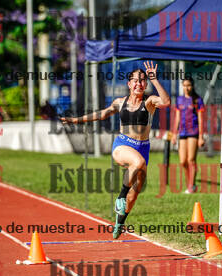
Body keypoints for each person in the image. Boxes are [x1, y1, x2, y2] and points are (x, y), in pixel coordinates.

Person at [60, 61, 170, 238]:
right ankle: (120, 197)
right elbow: (101, 114)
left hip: (143, 148)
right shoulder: (120, 102)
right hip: (123, 145)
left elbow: (166, 101)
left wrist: (155, 80)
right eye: (135, 80)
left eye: (143, 80)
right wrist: (76, 120)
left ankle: (120, 221)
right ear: (129, 84)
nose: (139, 83)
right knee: (137, 163)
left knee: (135, 193)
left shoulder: (149, 102)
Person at [171, 76, 205, 193]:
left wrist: (201, 137)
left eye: (189, 85)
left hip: (193, 132)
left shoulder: (198, 100)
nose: (186, 88)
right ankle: (190, 183)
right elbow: (177, 118)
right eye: (184, 85)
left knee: (191, 160)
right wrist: (174, 134)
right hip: (182, 133)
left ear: (192, 86)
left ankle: (191, 185)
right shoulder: (179, 100)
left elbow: (201, 119)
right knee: (182, 161)